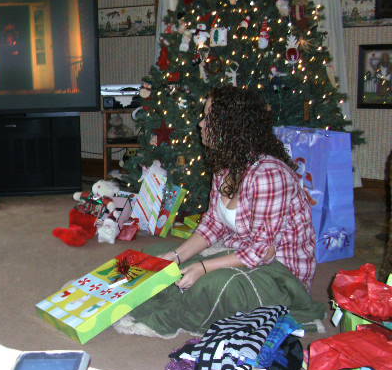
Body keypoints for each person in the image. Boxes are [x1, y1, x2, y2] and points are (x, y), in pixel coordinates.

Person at [117, 86, 325, 336]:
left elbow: (261, 251)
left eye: (207, 117)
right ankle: (128, 301)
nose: (200, 123)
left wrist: (204, 267)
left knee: (210, 284)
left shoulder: (268, 174)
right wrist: (176, 256)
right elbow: (212, 225)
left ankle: (167, 318)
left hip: (280, 274)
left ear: (231, 125)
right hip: (237, 252)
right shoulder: (226, 166)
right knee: (154, 257)